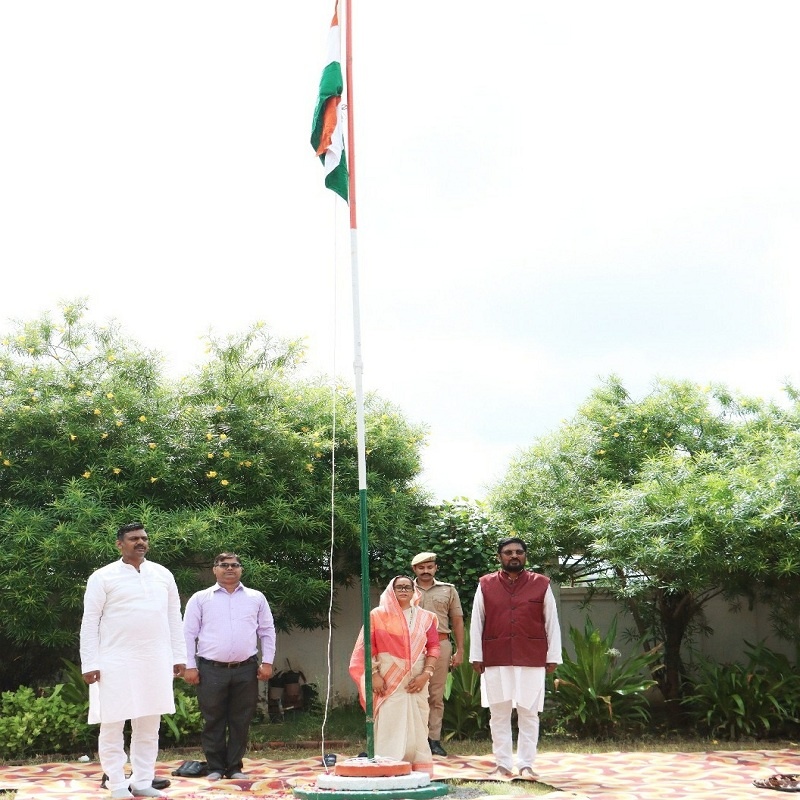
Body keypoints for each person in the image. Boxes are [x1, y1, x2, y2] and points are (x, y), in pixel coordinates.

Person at [80, 522, 186, 800]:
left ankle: (142, 781)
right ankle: (116, 785)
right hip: (114, 661)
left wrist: (179, 656)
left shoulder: (162, 574)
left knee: (149, 726)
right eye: (134, 539)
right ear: (120, 544)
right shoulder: (102, 577)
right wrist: (89, 662)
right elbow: (90, 621)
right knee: (112, 724)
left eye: (144, 538)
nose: (141, 542)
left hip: (155, 659)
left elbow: (174, 617)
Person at [470, 537, 562, 780]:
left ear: (525, 555)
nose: (514, 556)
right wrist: (476, 656)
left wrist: (553, 656)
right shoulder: (486, 584)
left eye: (519, 552)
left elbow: (551, 621)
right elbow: (477, 621)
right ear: (500, 556)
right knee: (498, 714)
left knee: (529, 713)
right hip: (495, 655)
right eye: (508, 552)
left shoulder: (541, 583)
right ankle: (502, 764)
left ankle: (526, 765)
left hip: (531, 656)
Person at [182, 552, 275, 781]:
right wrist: (189, 666)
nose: (229, 569)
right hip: (210, 669)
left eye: (234, 565)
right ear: (215, 569)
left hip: (246, 668)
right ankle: (215, 767)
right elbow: (187, 634)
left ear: (241, 569)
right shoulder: (200, 598)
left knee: (241, 719)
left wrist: (268, 662)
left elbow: (267, 631)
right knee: (212, 719)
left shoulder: (256, 598)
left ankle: (234, 767)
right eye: (224, 565)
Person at [349, 576, 441, 776]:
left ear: (414, 590)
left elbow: (433, 646)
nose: (403, 590)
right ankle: (388, 764)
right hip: (387, 677)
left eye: (407, 587)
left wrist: (426, 674)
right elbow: (367, 646)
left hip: (418, 676)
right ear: (391, 590)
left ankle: (418, 766)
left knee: (418, 722)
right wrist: (373, 674)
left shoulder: (425, 617)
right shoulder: (378, 615)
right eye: (399, 587)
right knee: (389, 719)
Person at [411, 551, 465, 757]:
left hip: (441, 644)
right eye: (421, 567)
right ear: (414, 569)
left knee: (436, 695)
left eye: (429, 567)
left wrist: (460, 650)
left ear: (436, 568)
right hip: (412, 646)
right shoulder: (405, 588)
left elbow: (457, 620)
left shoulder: (448, 590)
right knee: (413, 692)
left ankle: (433, 740)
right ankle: (414, 739)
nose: (426, 571)